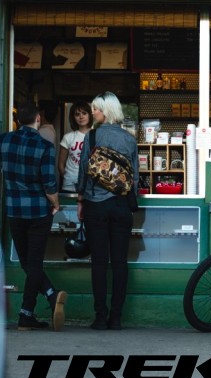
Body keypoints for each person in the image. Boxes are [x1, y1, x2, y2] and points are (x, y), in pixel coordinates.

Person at [0, 102, 67, 331]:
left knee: (27, 262)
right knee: (33, 262)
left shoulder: (5, 140)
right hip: (38, 212)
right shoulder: (45, 146)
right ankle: (29, 311)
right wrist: (55, 205)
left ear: (18, 120)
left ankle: (49, 297)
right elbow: (49, 183)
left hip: (14, 211)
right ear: (38, 119)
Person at [76, 92, 138, 331]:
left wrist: (81, 200)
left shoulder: (91, 136)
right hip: (121, 206)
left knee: (99, 263)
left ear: (106, 111)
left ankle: (100, 317)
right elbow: (134, 178)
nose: (93, 113)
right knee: (120, 263)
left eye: (96, 109)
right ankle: (116, 317)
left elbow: (84, 170)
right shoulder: (129, 139)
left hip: (96, 205)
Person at [58, 101, 92, 192]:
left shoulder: (97, 136)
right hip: (70, 184)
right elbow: (61, 164)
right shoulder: (68, 137)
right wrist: (68, 176)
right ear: (73, 118)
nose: (81, 117)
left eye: (84, 113)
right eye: (77, 114)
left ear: (90, 115)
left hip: (90, 184)